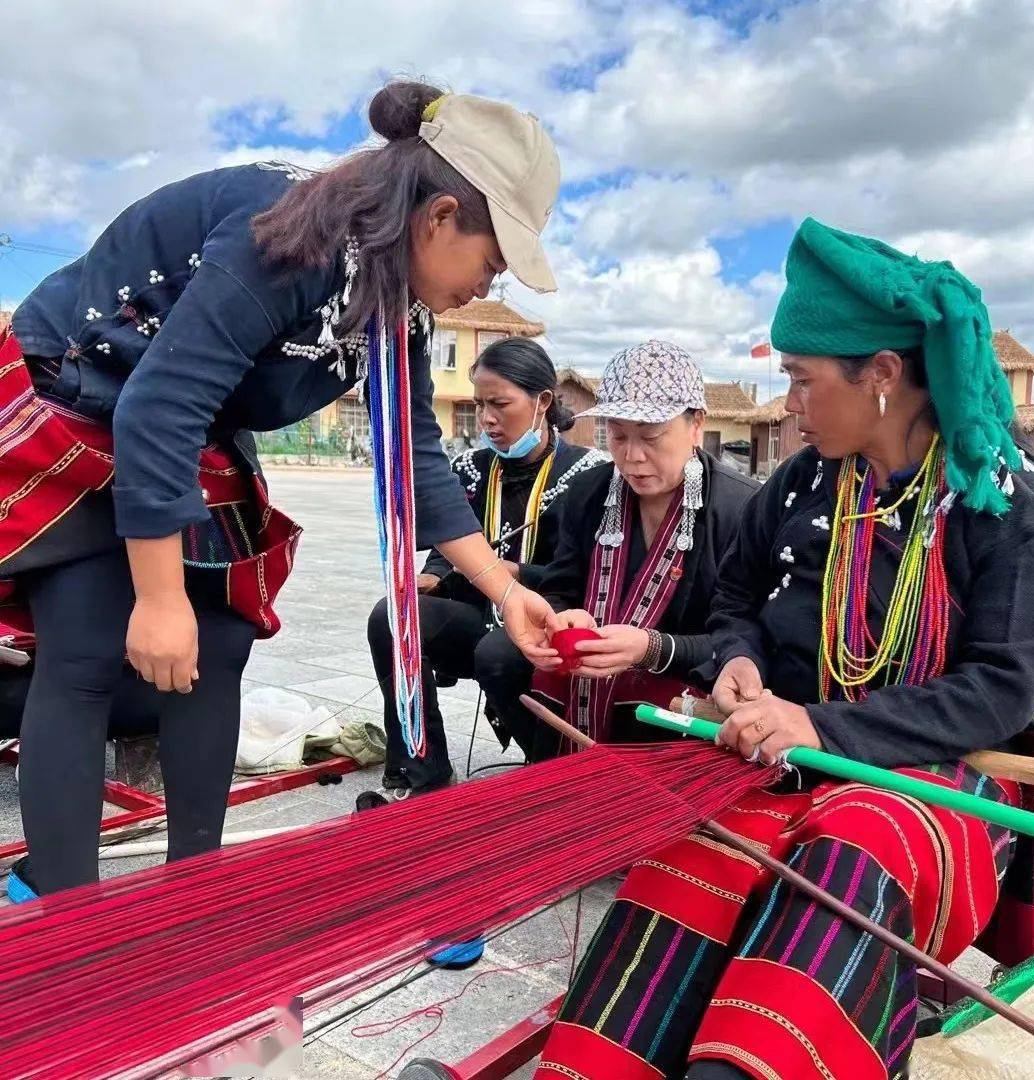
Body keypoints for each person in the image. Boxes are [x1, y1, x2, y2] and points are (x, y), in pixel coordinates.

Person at [535, 220, 1034, 1080]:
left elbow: (997, 692)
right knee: (687, 853)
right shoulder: (805, 481)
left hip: (935, 775)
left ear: (884, 377)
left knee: (847, 858)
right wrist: (737, 660)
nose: (787, 403)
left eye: (801, 380)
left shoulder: (1014, 506)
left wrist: (819, 726)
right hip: (784, 753)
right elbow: (738, 599)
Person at [1, 80, 563, 901]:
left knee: (220, 643)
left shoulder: (395, 305)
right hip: (84, 393)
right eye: (493, 261)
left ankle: (192, 891)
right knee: (89, 646)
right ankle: (66, 911)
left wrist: (504, 593)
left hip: (182, 421)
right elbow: (156, 406)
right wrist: (158, 599)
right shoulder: (293, 234)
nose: (490, 286)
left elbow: (416, 455)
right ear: (440, 217)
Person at [476, 341, 757, 762]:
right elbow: (560, 586)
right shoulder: (590, 492)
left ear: (696, 424)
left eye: (651, 436)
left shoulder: (741, 509)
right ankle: (550, 768)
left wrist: (651, 648)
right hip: (590, 668)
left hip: (684, 679)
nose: (632, 457)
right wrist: (562, 617)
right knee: (499, 654)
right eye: (618, 436)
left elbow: (747, 635)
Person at [368, 336, 606, 798]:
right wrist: (434, 574)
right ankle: (424, 770)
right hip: (482, 613)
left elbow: (593, 570)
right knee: (393, 617)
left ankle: (552, 773)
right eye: (479, 406)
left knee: (498, 654)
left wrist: (520, 575)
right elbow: (451, 536)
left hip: (550, 617)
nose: (487, 420)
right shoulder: (470, 468)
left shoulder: (591, 475)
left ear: (543, 402)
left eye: (500, 403)